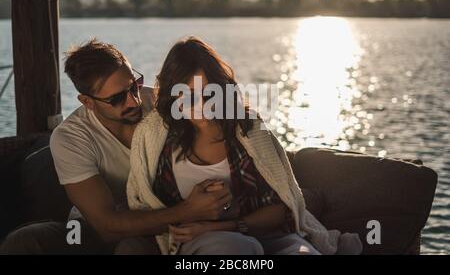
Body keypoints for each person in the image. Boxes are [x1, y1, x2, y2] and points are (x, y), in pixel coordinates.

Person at [127, 36, 363, 255]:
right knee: (235, 247)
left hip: (262, 235)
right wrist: (193, 216)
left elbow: (281, 208)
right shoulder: (156, 139)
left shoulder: (248, 131)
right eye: (188, 96)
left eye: (208, 94)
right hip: (201, 245)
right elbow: (146, 207)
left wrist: (231, 223)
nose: (201, 105)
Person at [0, 39, 232, 255]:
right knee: (25, 240)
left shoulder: (164, 104)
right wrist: (188, 210)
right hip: (90, 231)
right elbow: (105, 226)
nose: (134, 101)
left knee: (132, 248)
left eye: (134, 86)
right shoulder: (70, 137)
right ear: (87, 102)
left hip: (162, 224)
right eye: (116, 99)